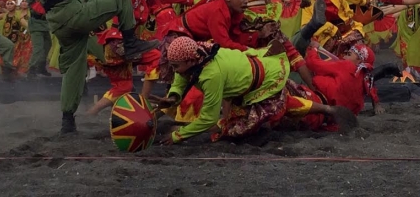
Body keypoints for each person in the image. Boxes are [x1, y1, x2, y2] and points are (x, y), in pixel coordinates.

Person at [24, 0, 159, 134]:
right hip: (70, 14)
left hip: (62, 24)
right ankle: (131, 42)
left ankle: (67, 120)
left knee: (74, 73)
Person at [150, 37, 357, 144]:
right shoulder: (200, 52)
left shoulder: (210, 74)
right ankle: (328, 110)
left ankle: (325, 111)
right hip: (258, 71)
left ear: (189, 60)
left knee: (233, 130)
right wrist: (174, 96)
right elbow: (181, 74)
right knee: (284, 102)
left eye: (175, 65)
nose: (173, 70)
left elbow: (208, 119)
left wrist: (179, 136)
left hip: (261, 83)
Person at [301, 0, 369, 57]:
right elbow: (305, 27)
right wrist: (330, 28)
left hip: (350, 28)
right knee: (337, 58)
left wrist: (363, 2)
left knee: (359, 54)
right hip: (328, 37)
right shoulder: (308, 2)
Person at [305, 43, 384, 116]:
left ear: (359, 60)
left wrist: (313, 50)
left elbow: (313, 63)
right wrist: (376, 104)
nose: (344, 57)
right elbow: (372, 90)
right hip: (342, 116)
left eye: (348, 55)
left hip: (322, 103)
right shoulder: (366, 78)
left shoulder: (347, 65)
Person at [27, 0, 52, 77]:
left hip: (44, 24)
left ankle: (41, 66)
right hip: (36, 24)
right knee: (38, 48)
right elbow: (32, 4)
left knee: (47, 45)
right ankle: (31, 68)